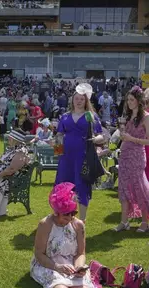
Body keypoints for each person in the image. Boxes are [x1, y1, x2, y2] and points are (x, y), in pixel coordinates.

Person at [30, 182, 104, 288]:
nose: (70, 218)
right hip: (48, 263)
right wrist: (57, 267)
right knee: (56, 281)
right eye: (66, 215)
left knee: (79, 281)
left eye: (73, 214)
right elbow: (39, 254)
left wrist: (79, 266)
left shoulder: (78, 225)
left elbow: (81, 253)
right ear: (56, 212)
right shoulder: (45, 224)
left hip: (70, 262)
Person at [115, 86, 149, 232]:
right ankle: (124, 221)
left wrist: (131, 138)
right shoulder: (128, 116)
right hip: (124, 155)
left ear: (139, 101)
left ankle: (145, 221)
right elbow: (125, 135)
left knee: (140, 188)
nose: (129, 102)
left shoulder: (146, 117)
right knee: (124, 187)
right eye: (128, 100)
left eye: (132, 100)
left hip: (137, 156)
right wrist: (123, 134)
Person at [55, 84, 102, 221]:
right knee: (63, 185)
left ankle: (82, 220)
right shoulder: (64, 116)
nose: (79, 101)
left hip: (83, 156)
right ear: (72, 100)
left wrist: (94, 139)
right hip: (66, 157)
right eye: (77, 98)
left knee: (81, 185)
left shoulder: (90, 116)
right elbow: (59, 135)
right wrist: (58, 152)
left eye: (82, 99)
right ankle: (62, 217)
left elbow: (101, 135)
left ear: (86, 101)